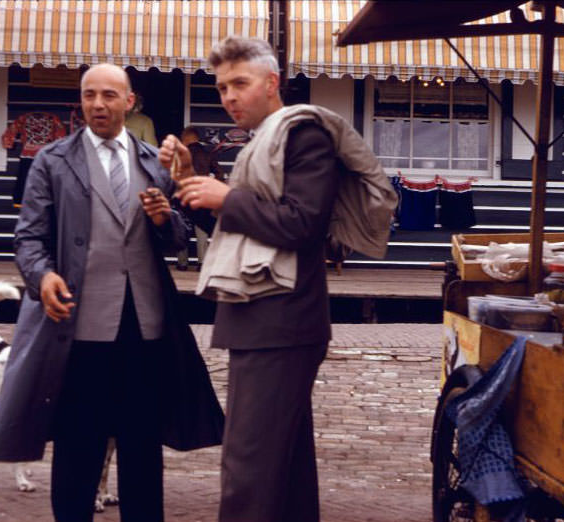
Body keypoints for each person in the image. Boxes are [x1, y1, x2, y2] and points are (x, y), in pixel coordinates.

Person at [159, 36, 397, 522]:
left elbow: (303, 225)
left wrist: (227, 199)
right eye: (222, 87)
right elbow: (236, 234)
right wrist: (188, 184)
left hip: (281, 321)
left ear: (271, 83)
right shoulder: (262, 143)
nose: (228, 97)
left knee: (248, 466)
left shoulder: (303, 135)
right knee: (283, 468)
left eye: (240, 84)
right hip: (267, 319)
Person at [0, 63, 224, 522]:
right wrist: (43, 277)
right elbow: (28, 239)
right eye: (90, 95)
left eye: (109, 95)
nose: (98, 104)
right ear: (81, 100)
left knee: (141, 444)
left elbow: (178, 238)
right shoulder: (52, 161)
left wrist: (161, 218)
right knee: (79, 441)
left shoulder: (155, 160)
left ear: (129, 102)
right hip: (79, 324)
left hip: (145, 324)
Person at [175, 126, 224, 270]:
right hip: (202, 195)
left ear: (186, 138)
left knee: (181, 229)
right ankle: (202, 262)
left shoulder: (179, 154)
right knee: (201, 229)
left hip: (183, 195)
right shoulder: (207, 154)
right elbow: (220, 174)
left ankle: (182, 263)